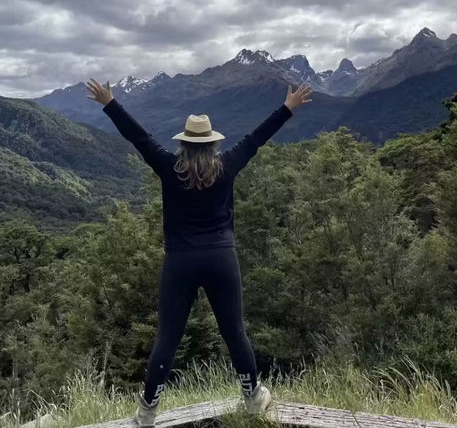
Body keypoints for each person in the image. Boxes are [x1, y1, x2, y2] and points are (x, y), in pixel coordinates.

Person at [86, 77, 313, 427]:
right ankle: (253, 398)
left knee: (167, 337)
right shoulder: (227, 165)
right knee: (234, 330)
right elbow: (256, 139)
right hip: (222, 258)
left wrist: (110, 103)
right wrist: (288, 108)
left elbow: (139, 137)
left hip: (180, 261)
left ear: (185, 144)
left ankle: (147, 413)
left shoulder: (168, 167)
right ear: (211, 144)